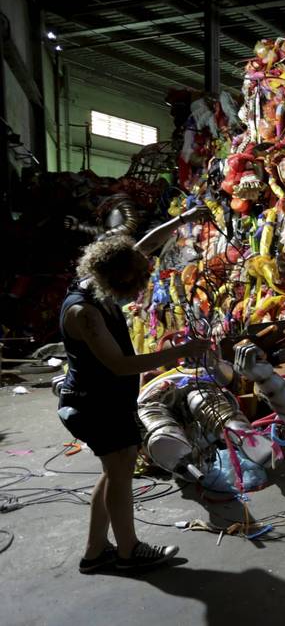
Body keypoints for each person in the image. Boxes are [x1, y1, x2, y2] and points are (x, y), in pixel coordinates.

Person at [58, 207, 211, 573]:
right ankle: (128, 551)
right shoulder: (85, 313)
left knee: (116, 471)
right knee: (119, 471)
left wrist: (181, 219)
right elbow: (120, 365)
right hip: (92, 405)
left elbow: (145, 247)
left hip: (105, 401)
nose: (141, 285)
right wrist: (181, 352)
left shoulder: (99, 282)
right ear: (114, 279)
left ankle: (96, 552)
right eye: (135, 280)